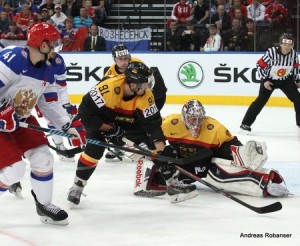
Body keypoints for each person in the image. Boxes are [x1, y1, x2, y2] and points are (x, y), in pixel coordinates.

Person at [67, 61, 194, 207]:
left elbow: (153, 125)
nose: (148, 87)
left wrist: (161, 151)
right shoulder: (108, 88)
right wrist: (105, 128)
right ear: (133, 85)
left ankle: (172, 185)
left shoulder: (146, 95)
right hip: (101, 122)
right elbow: (84, 112)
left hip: (127, 123)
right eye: (145, 83)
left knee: (154, 145)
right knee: (93, 151)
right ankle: (77, 187)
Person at [0, 22, 86, 225]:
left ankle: (44, 205)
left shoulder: (51, 66)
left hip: (18, 119)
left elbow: (50, 102)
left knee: (44, 158)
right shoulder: (12, 59)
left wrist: (67, 125)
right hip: (3, 120)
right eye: (54, 43)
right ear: (43, 45)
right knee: (14, 170)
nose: (57, 48)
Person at [137, 99, 290, 198]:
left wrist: (243, 156)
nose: (196, 123)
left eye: (199, 118)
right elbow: (153, 135)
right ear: (184, 117)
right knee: (166, 173)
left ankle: (266, 183)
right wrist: (157, 154)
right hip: (187, 162)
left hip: (209, 159)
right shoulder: (170, 122)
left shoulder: (214, 128)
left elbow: (232, 147)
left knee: (220, 176)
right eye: (192, 118)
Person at [103, 44, 167, 161]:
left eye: (126, 58)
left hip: (149, 95)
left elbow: (148, 84)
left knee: (147, 120)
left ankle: (148, 142)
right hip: (132, 99)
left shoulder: (137, 63)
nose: (124, 62)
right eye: (120, 59)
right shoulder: (109, 73)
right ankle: (121, 144)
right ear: (114, 59)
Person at [240, 33, 300, 134]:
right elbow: (259, 65)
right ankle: (245, 125)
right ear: (280, 44)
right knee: (260, 101)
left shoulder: (294, 54)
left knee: (298, 99)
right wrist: (265, 80)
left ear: (292, 45)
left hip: (286, 80)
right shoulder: (272, 52)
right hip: (270, 80)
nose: (287, 47)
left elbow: (295, 68)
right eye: (284, 44)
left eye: (289, 44)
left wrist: (297, 80)